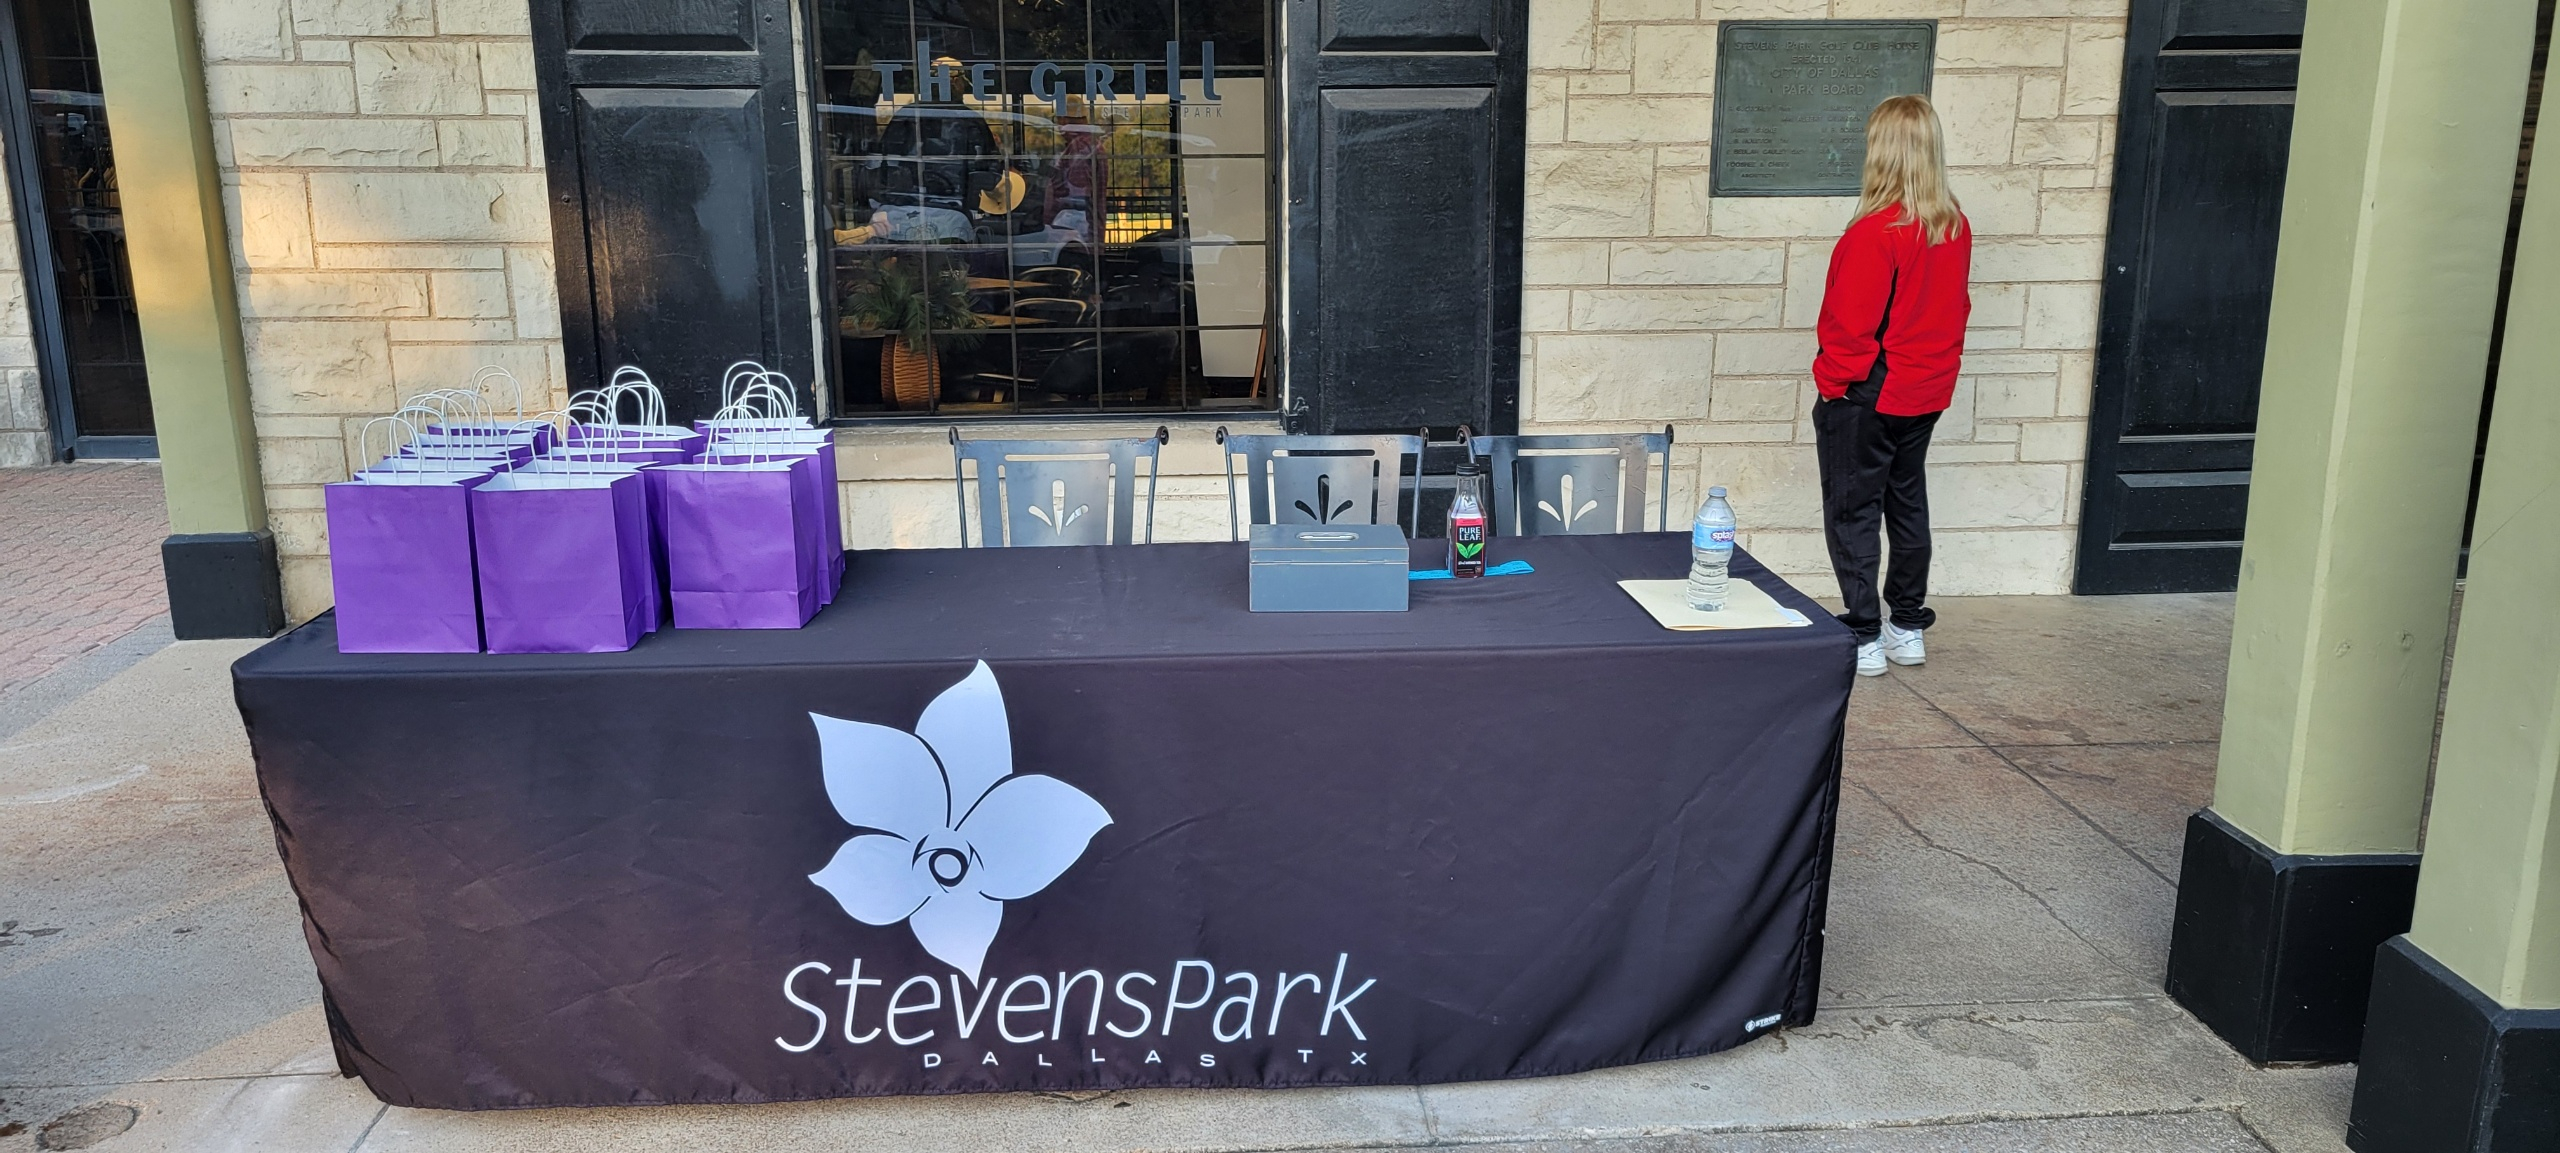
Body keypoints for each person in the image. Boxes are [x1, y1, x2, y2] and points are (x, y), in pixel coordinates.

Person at [1810, 94, 1972, 678]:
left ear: (1881, 150)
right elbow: (1956, 309)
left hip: (1869, 392)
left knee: (1853, 510)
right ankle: (1906, 625)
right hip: (1923, 389)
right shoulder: (1951, 225)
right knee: (1907, 503)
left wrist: (1833, 386)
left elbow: (1849, 328)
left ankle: (1863, 632)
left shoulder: (1875, 234)